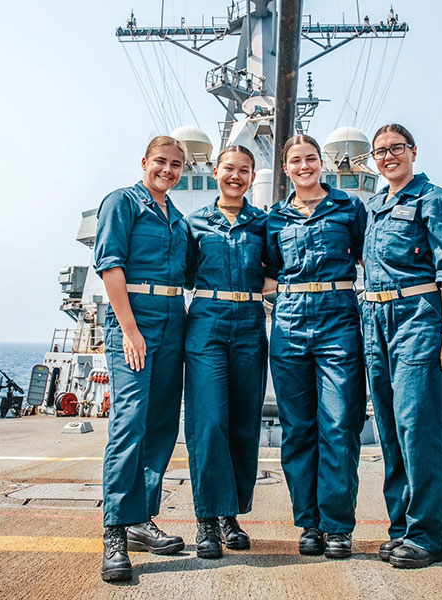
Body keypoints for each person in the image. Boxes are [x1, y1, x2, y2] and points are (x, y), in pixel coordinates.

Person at [361, 123, 442, 569]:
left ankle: (428, 536)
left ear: (413, 152)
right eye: (381, 151)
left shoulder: (436, 201)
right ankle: (402, 527)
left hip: (419, 319)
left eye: (396, 149)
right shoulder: (373, 207)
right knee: (390, 428)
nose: (389, 157)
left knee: (419, 428)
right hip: (375, 319)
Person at [265, 134, 366, 559]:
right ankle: (309, 524)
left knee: (340, 425)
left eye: (310, 159)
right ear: (285, 167)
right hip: (288, 322)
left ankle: (338, 526)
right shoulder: (274, 218)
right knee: (299, 429)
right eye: (295, 160)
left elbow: (370, 259)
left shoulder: (350, 208)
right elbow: (265, 272)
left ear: (321, 162)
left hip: (338, 318)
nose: (304, 166)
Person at [94, 136, 189, 582]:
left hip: (174, 320)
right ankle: (115, 530)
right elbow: (111, 265)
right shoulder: (122, 202)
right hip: (136, 321)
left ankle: (140, 520)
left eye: (175, 165)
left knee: (161, 424)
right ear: (145, 162)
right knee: (130, 423)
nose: (167, 170)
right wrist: (130, 331)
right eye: (161, 162)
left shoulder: (177, 218)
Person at [184, 145, 268, 559]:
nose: (236, 176)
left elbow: (277, 271)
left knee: (243, 424)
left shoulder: (263, 224)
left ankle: (230, 515)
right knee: (210, 422)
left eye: (245, 170)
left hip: (251, 324)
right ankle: (206, 520)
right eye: (229, 169)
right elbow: (178, 272)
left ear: (253, 176)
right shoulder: (194, 222)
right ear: (216, 171)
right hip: (207, 323)